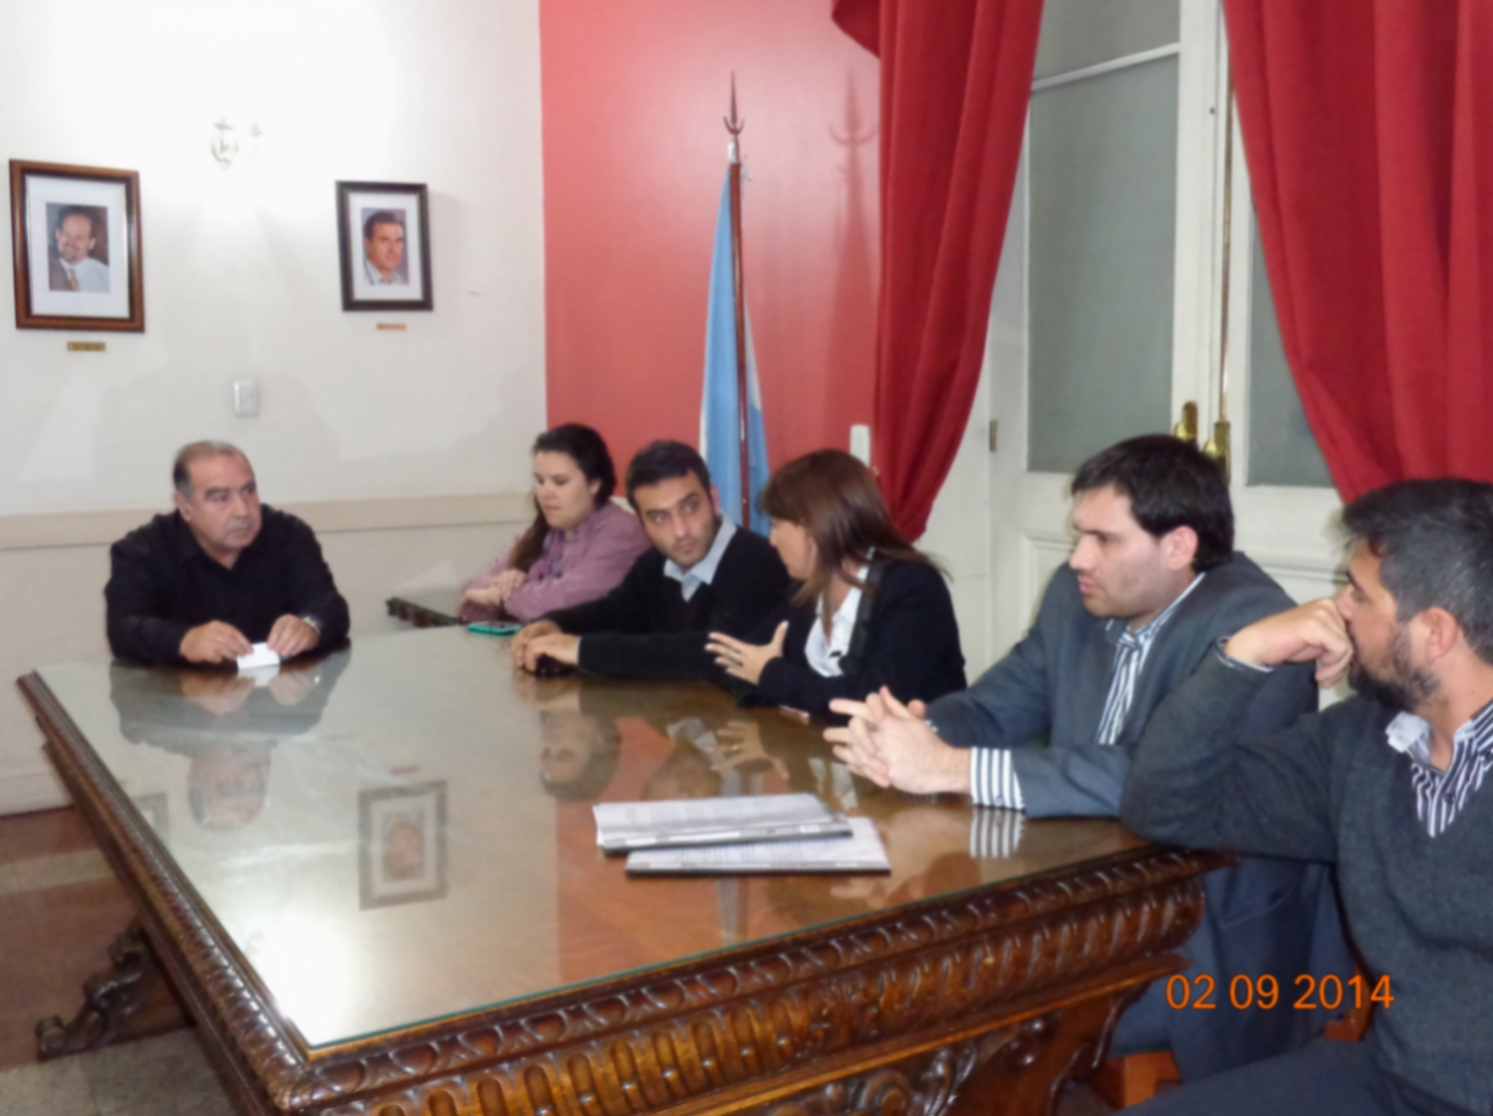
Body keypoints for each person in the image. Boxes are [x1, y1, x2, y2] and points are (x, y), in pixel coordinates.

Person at [828, 434, 1349, 1081]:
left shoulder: (1254, 628)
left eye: (1103, 539)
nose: (1077, 558)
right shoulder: (1077, 597)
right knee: (918, 969)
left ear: (1179, 546)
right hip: (1083, 891)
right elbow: (994, 708)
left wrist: (947, 768)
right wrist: (912, 729)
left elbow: (1146, 778)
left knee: (969, 1005)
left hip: (1205, 940)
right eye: (1080, 535)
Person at [1119, 478, 1493, 1116]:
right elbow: (1168, 803)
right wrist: (1243, 656)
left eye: (1360, 594)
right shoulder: (1361, 742)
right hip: (1387, 1080)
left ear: (1435, 633)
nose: (1338, 607)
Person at [704, 449, 965, 720]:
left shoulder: (913, 589)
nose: (771, 540)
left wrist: (771, 674)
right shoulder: (805, 594)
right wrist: (767, 677)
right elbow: (728, 664)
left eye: (776, 525)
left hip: (922, 755)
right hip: (827, 755)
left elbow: (873, 703)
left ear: (812, 530)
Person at [513, 440, 789, 677]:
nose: (680, 531)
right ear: (641, 524)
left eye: (690, 508)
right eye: (660, 518)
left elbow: (713, 654)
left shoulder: (759, 562)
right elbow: (617, 611)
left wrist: (581, 649)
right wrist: (557, 624)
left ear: (714, 500)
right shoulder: (655, 564)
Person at [105, 442, 350, 666]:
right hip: (181, 702)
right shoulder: (142, 551)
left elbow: (330, 606)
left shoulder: (288, 535)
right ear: (185, 506)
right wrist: (184, 640)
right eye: (221, 498)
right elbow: (122, 629)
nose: (242, 510)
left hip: (280, 700)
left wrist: (311, 627)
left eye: (248, 491)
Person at [460, 424, 649, 625]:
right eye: (540, 481)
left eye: (559, 482)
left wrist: (499, 597)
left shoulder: (624, 533)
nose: (545, 493)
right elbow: (471, 594)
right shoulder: (549, 530)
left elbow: (566, 600)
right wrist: (503, 582)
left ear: (594, 483)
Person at [49, 207, 110, 292]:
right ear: (58, 234)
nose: (71, 242)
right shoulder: (45, 272)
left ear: (91, 243)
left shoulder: (106, 276)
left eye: (79, 238)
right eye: (66, 234)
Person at [362, 210, 406, 285]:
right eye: (385, 240)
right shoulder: (359, 280)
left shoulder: (400, 282)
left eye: (398, 241)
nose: (393, 250)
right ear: (368, 244)